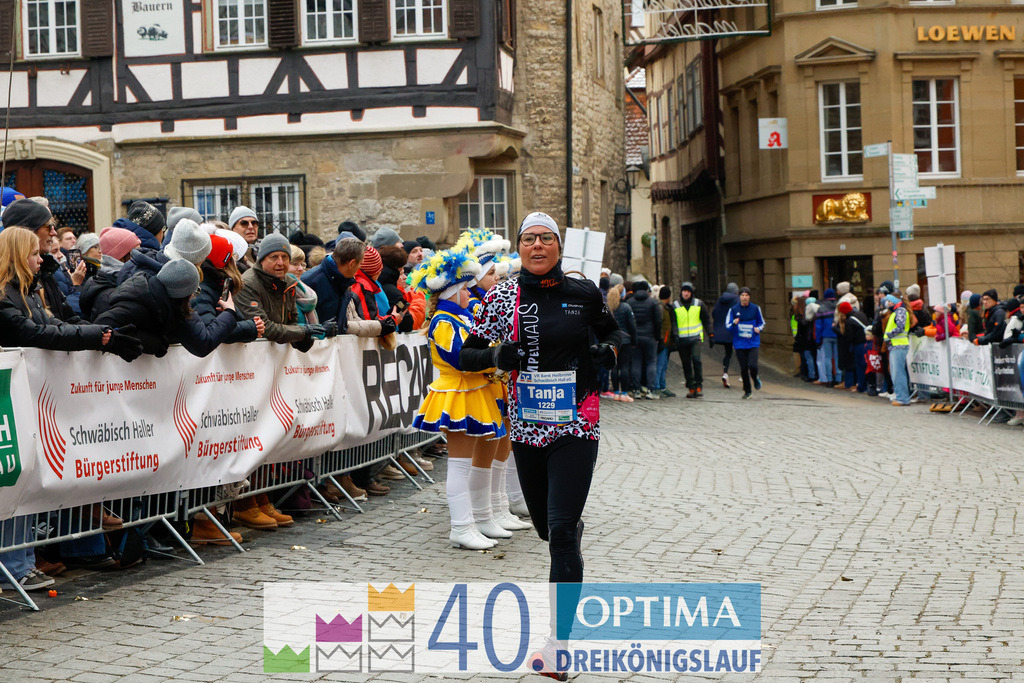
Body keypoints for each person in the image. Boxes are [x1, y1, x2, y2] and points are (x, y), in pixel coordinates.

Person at [459, 212, 622, 677]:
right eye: (528, 239)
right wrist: (495, 355)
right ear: (519, 246)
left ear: (557, 247)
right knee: (549, 531)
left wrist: (606, 351)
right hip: (526, 427)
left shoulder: (582, 293)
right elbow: (467, 353)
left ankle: (560, 646)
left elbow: (613, 332)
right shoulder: (501, 297)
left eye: (546, 239)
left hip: (577, 421)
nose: (537, 246)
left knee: (562, 530)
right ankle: (565, 535)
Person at [410, 247, 514, 550]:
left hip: (475, 390)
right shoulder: (444, 321)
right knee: (459, 465)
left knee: (479, 461)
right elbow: (460, 359)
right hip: (457, 393)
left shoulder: (461, 317)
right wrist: (496, 358)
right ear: (453, 292)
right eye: (466, 290)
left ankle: (481, 516)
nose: (470, 294)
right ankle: (461, 526)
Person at [237, 233, 329, 353]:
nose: (280, 262)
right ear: (262, 260)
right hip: (250, 358)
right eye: (274, 257)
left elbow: (292, 323)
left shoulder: (289, 282)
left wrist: (307, 336)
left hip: (277, 361)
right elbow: (264, 327)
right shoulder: (247, 284)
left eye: (285, 257)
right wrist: (304, 331)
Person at [726, 287, 765, 399]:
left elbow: (761, 323)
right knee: (743, 367)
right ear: (739, 297)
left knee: (752, 365)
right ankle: (747, 390)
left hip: (753, 342)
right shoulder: (733, 310)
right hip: (739, 343)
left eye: (747, 295)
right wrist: (734, 323)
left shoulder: (755, 308)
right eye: (742, 295)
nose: (744, 297)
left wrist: (758, 328)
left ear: (749, 297)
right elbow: (728, 326)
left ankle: (755, 377)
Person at [674, 281, 711, 398]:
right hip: (682, 339)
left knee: (696, 360)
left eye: (688, 291)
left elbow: (706, 320)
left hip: (696, 338)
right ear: (681, 293)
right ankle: (691, 386)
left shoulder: (699, 304)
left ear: (691, 293)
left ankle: (698, 385)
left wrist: (711, 334)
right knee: (686, 364)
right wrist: (675, 335)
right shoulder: (675, 305)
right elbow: (673, 322)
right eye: (684, 291)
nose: (686, 293)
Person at [628, 280, 661, 399]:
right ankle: (650, 390)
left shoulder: (630, 302)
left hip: (636, 336)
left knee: (636, 363)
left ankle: (636, 390)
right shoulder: (653, 302)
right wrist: (658, 337)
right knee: (651, 362)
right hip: (650, 336)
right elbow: (658, 321)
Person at [607, 285, 636, 402]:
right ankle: (624, 392)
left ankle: (615, 393)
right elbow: (632, 326)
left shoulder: (606, 309)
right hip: (625, 341)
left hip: (611, 341)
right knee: (624, 367)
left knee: (614, 367)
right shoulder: (625, 307)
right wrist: (634, 339)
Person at [711, 282, 739, 388]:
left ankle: (725, 373)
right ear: (736, 291)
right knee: (741, 351)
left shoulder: (720, 300)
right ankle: (743, 374)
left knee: (728, 353)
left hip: (722, 332)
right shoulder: (736, 300)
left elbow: (714, 313)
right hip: (732, 331)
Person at [654, 285, 676, 397]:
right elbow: (659, 324)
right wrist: (661, 339)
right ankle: (657, 386)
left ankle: (662, 386)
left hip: (666, 341)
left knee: (663, 365)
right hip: (663, 341)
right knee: (660, 365)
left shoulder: (664, 307)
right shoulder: (661, 308)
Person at [814, 288, 838, 386]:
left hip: (826, 335)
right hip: (837, 334)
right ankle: (838, 378)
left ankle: (829, 379)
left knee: (828, 357)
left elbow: (818, 326)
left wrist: (818, 339)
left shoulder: (821, 308)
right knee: (837, 357)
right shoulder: (838, 306)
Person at [228, 206, 260, 271]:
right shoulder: (229, 256)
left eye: (254, 223)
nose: (250, 227)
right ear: (232, 229)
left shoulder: (265, 252)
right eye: (244, 223)